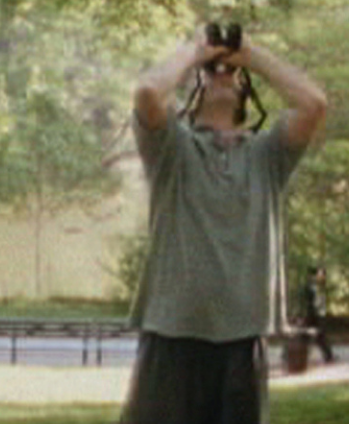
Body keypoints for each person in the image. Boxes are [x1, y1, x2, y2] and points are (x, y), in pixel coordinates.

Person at [121, 27, 328, 424]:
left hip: (242, 339)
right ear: (193, 93)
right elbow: (148, 93)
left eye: (232, 75)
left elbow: (313, 103)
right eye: (212, 73)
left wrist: (251, 56)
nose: (222, 75)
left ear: (247, 97)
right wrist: (195, 52)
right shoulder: (172, 149)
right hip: (172, 334)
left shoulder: (267, 156)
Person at [301, 266, 336, 363]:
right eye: (321, 274)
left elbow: (320, 300)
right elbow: (311, 301)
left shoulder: (318, 286)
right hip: (314, 314)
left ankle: (329, 356)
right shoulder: (311, 286)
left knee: (314, 336)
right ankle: (328, 356)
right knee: (314, 336)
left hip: (317, 314)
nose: (323, 276)